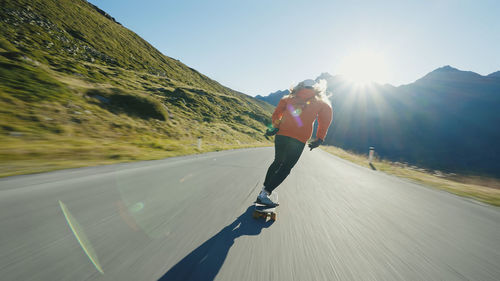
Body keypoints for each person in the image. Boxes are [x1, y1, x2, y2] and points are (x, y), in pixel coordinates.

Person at [256, 79, 333, 206]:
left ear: (299, 86)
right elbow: (326, 119)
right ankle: (265, 193)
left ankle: (264, 189)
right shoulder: (322, 103)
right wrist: (319, 138)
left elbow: (276, 114)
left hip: (282, 134)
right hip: (299, 139)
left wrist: (275, 126)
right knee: (286, 168)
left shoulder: (287, 98)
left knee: (277, 162)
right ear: (317, 88)